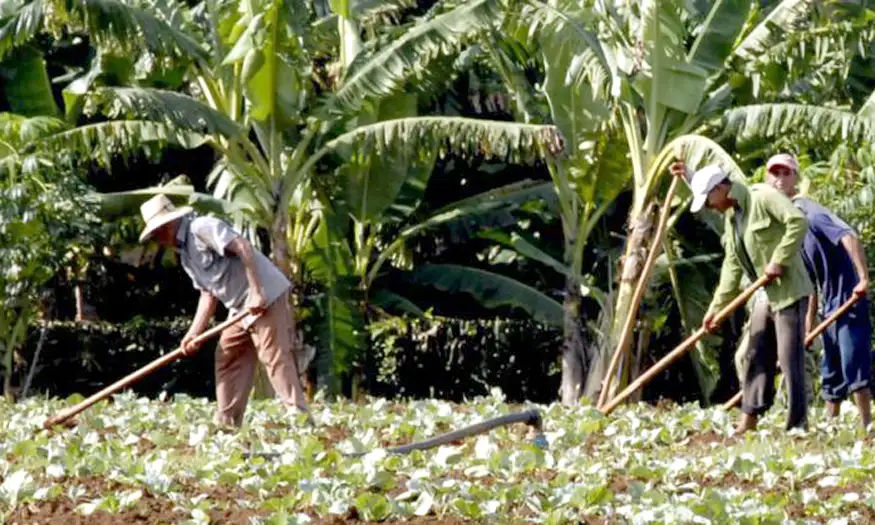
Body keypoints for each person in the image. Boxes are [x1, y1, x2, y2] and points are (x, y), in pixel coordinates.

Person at [137, 194, 312, 428]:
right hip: (239, 307)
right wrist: (193, 334)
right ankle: (228, 422)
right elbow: (208, 295)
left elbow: (242, 246)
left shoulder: (201, 227)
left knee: (274, 358)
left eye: (156, 234)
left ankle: (300, 419)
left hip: (265, 296)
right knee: (227, 354)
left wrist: (257, 292)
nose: (157, 240)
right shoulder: (186, 255)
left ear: (167, 226)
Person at [675, 161, 813, 433]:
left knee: (788, 358)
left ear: (722, 188)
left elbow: (797, 221)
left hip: (789, 290)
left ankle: (797, 424)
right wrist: (716, 309)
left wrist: (779, 259)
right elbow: (732, 267)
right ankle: (749, 417)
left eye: (709, 200)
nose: (709, 207)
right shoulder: (731, 218)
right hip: (765, 294)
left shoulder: (762, 197)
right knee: (755, 351)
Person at [765, 153, 872, 428]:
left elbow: (848, 235)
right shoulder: (791, 226)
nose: (779, 180)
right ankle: (830, 425)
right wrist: (809, 325)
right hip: (828, 305)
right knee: (831, 369)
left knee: (853, 365)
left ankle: (867, 427)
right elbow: (809, 281)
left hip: (849, 298)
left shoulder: (809, 212)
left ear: (795, 179)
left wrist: (862, 278)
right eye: (774, 174)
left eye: (785, 173)